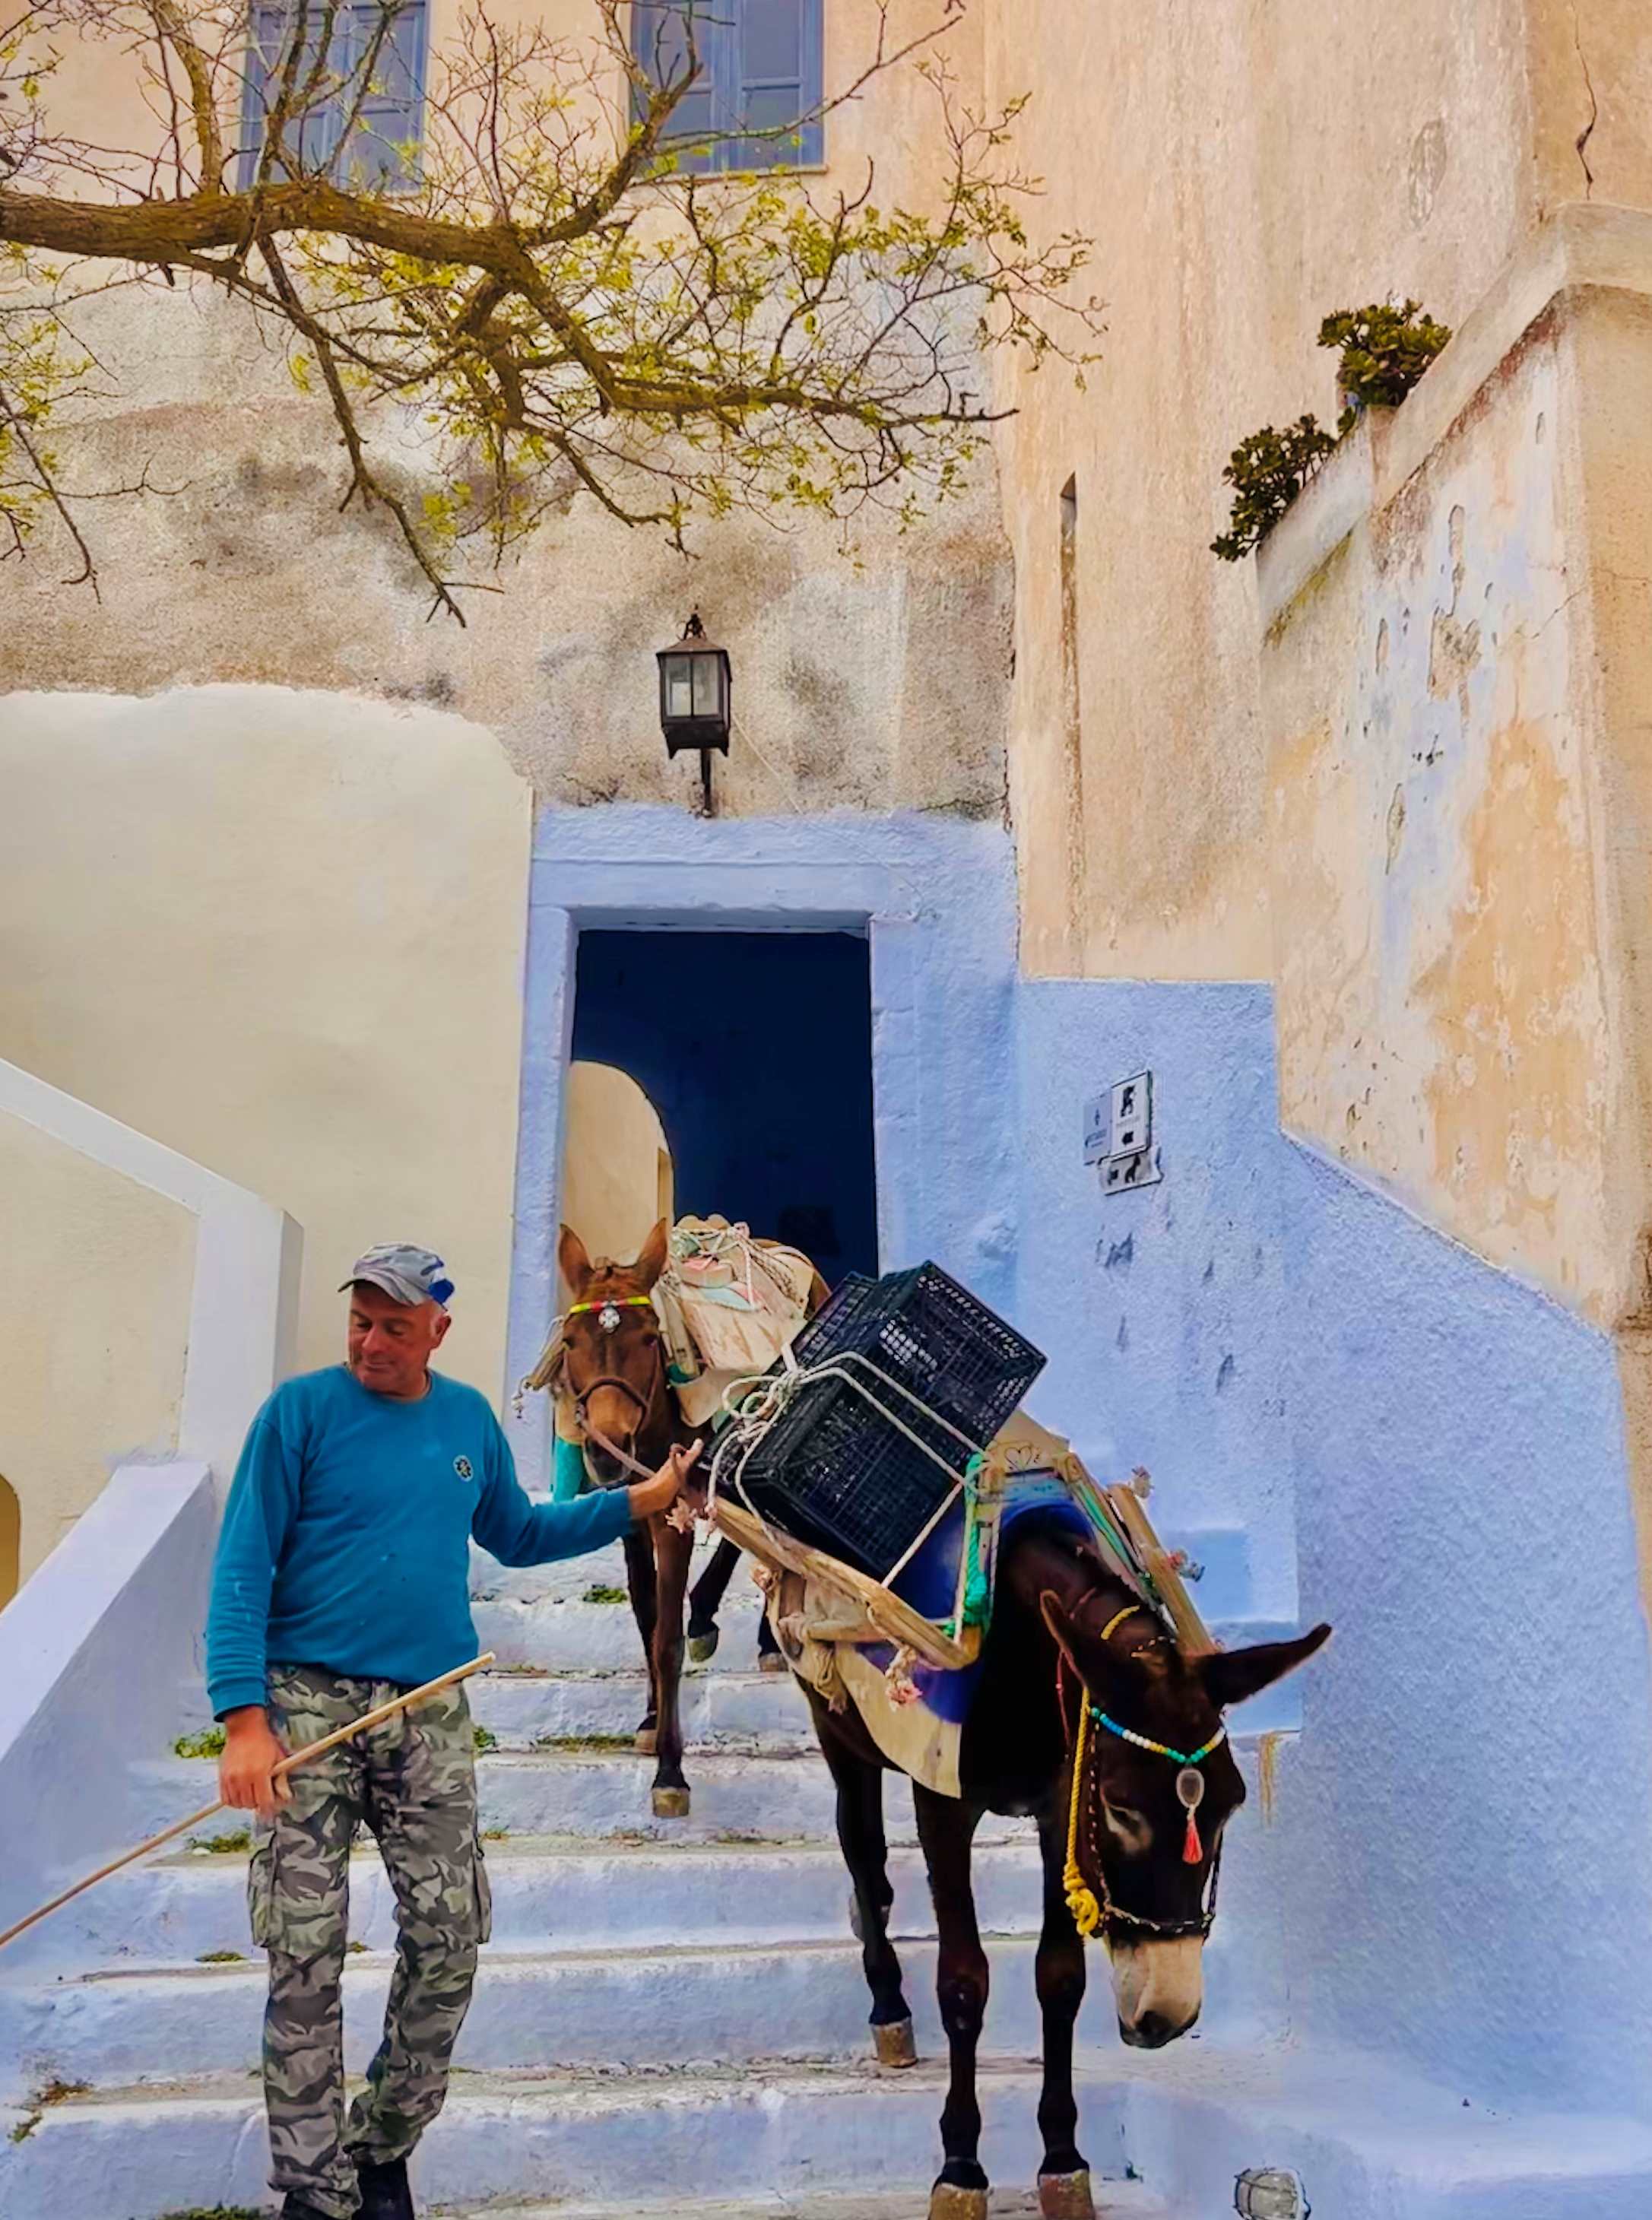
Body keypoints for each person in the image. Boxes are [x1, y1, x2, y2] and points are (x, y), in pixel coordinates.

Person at [205, 1243, 696, 2220]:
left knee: (451, 1934)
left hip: (425, 1705)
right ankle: (315, 2187)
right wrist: (242, 1721)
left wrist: (633, 1503)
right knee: (304, 1950)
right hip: (304, 1701)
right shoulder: (298, 1414)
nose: (370, 1340)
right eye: (361, 1320)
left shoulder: (467, 1418)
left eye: (394, 1324)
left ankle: (380, 2146)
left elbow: (518, 1532)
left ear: (438, 1327)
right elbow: (240, 1566)